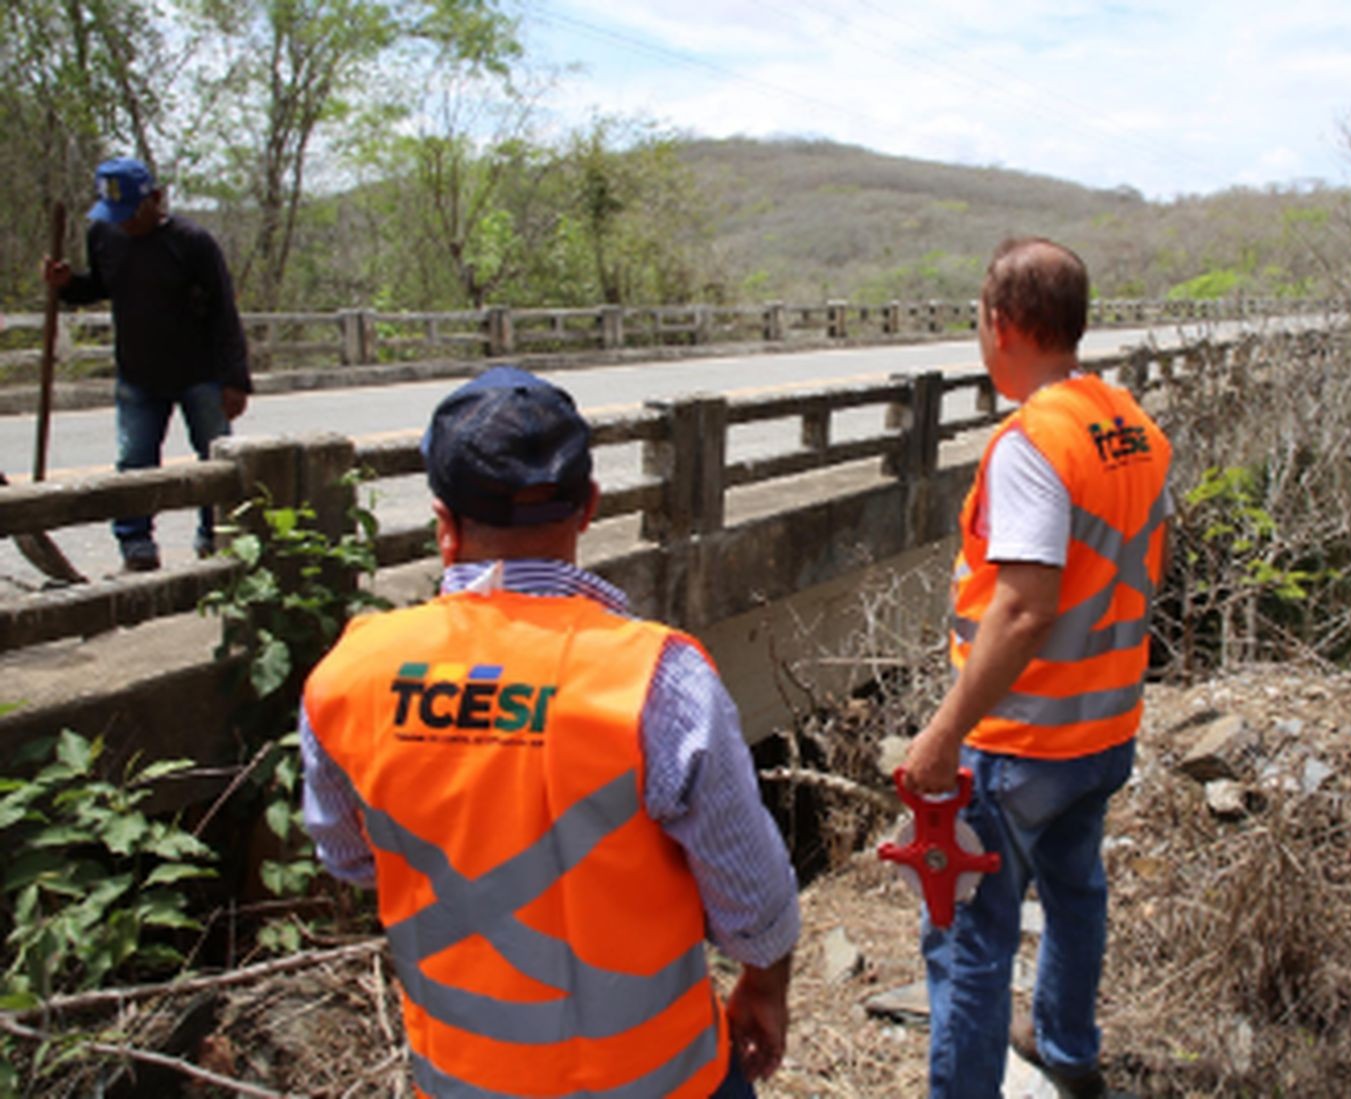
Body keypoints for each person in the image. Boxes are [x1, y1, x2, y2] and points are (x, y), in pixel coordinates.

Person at [298, 365, 799, 1098]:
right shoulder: (658, 679)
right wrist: (764, 985)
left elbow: (349, 858)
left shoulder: (350, 676)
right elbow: (752, 903)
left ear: (444, 523)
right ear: (589, 506)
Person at [901, 238, 1173, 1099]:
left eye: (980, 321)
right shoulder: (1130, 424)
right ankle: (1067, 1050)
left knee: (969, 938)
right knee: (1075, 891)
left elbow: (1021, 607)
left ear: (1003, 324)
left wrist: (944, 734)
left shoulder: (1032, 443)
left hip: (1020, 741)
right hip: (1105, 725)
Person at [42, 157, 252, 572]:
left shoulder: (193, 243)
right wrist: (68, 285)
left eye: (131, 214)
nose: (124, 224)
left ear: (155, 199)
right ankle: (136, 547)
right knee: (134, 462)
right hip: (138, 373)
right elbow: (99, 286)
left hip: (200, 371)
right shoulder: (103, 234)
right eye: (115, 216)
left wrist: (235, 380)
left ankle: (216, 539)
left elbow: (224, 312)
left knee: (215, 460)